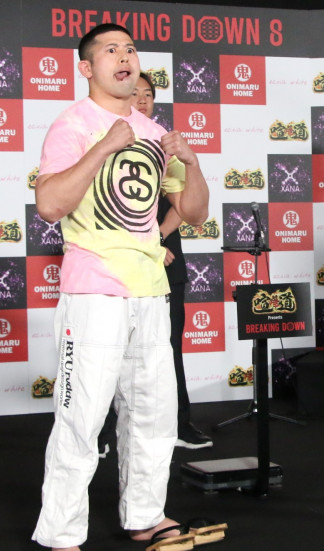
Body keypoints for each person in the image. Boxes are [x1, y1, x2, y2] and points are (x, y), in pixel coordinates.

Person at [31, 24, 212, 551]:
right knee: (81, 418)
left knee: (154, 415)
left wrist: (192, 164)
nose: (124, 56)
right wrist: (106, 146)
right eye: (111, 50)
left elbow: (194, 213)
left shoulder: (155, 132)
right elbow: (50, 205)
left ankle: (145, 516)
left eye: (130, 49)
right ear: (87, 68)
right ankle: (62, 533)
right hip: (93, 293)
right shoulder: (72, 124)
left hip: (151, 291)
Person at [97, 72, 212, 456]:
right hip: (114, 266)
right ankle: (102, 431)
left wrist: (158, 239)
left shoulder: (165, 143)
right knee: (110, 350)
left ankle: (179, 423)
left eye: (148, 94)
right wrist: (147, 245)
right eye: (136, 93)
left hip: (166, 261)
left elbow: (187, 204)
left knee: (168, 348)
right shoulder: (105, 140)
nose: (142, 100)